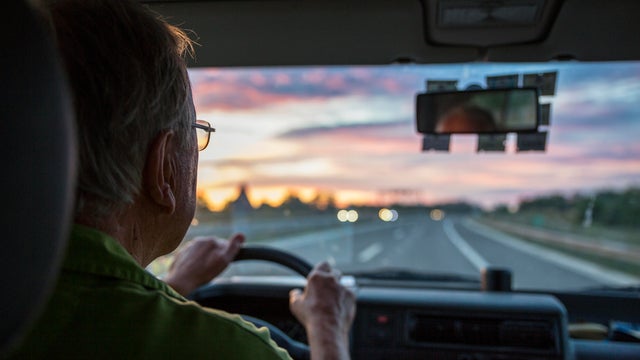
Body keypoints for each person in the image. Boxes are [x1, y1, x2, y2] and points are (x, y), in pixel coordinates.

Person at [8, 0, 355, 358]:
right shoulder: (227, 349)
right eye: (195, 131)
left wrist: (173, 285)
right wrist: (328, 327)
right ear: (163, 168)